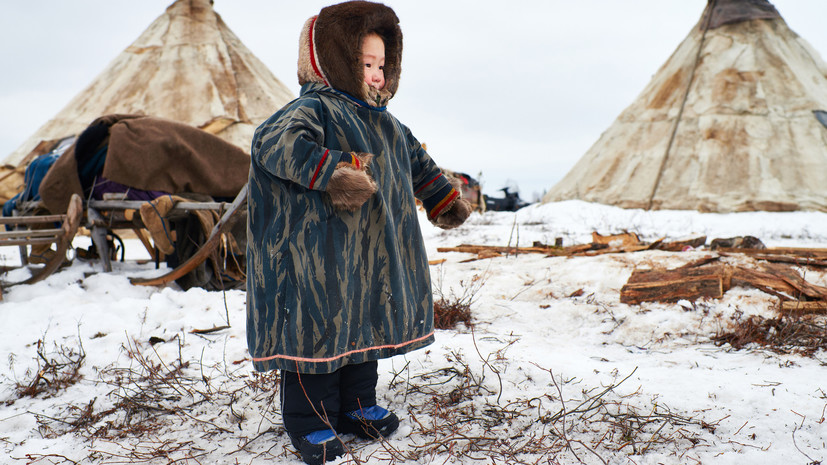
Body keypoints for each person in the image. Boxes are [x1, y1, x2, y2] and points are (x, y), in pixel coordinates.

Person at [245, 2, 472, 464]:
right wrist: (331, 170)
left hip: (370, 256)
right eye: (365, 64)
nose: (376, 75)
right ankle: (311, 421)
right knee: (318, 331)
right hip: (316, 253)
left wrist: (442, 198)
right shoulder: (313, 109)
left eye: (382, 65)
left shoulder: (387, 124)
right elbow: (274, 143)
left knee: (363, 323)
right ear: (333, 61)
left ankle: (356, 405)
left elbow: (416, 163)